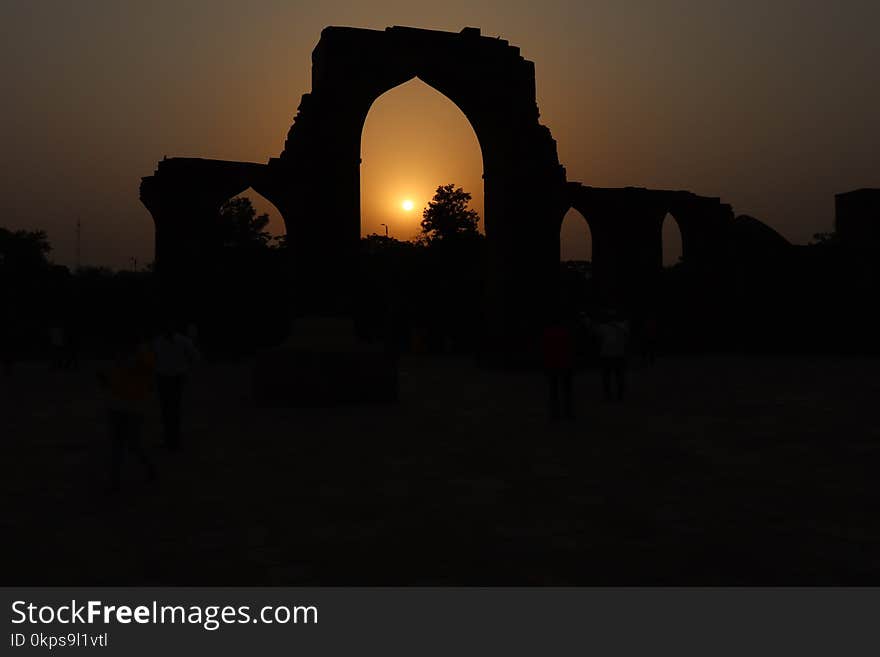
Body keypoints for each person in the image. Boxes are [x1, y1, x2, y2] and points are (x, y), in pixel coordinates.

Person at [98, 339, 157, 492]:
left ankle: (147, 467)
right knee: (118, 444)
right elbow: (109, 380)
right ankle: (115, 479)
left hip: (132, 406)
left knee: (132, 443)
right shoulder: (119, 357)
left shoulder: (142, 355)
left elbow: (147, 374)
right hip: (118, 405)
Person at [153, 321, 199, 450]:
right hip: (166, 378)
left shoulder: (180, 341)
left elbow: (195, 357)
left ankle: (172, 440)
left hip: (174, 378)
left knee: (171, 410)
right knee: (168, 410)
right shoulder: (161, 342)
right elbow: (195, 357)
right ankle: (171, 440)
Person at [582, 309, 630, 402]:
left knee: (612, 377)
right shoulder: (620, 326)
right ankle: (614, 396)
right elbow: (592, 328)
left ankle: (613, 396)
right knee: (614, 377)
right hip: (614, 355)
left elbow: (592, 328)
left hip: (611, 355)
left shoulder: (621, 326)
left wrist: (586, 320)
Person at [542, 314, 575, 422]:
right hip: (565, 364)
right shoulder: (566, 333)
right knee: (566, 390)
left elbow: (545, 350)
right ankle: (568, 412)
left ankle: (555, 413)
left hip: (552, 364)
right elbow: (570, 348)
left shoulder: (547, 333)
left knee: (554, 390)